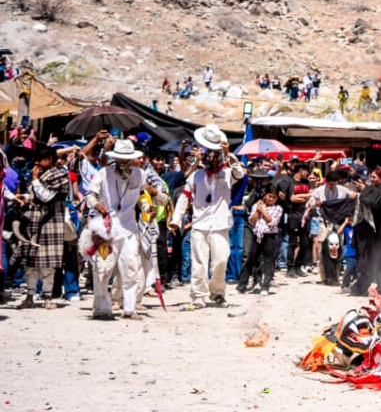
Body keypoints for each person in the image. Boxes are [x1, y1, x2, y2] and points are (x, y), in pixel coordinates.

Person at [169, 125, 245, 309]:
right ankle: (198, 295)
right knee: (199, 261)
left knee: (220, 260)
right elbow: (184, 198)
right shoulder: (195, 176)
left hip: (220, 223)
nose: (212, 158)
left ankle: (217, 292)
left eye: (215, 154)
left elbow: (240, 174)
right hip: (200, 224)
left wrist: (229, 156)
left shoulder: (227, 174)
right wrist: (176, 219)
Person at [83, 140, 159, 319]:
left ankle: (129, 309)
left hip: (129, 228)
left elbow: (142, 195)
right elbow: (90, 195)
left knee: (131, 267)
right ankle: (102, 309)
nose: (124, 162)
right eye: (120, 159)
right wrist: (96, 204)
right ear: (115, 158)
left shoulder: (140, 175)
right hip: (106, 228)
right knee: (103, 268)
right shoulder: (103, 173)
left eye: (127, 159)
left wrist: (148, 208)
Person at [12, 148, 71, 309]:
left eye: (41, 160)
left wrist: (35, 180)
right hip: (33, 223)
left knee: (47, 264)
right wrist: (22, 198)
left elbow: (47, 197)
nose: (37, 163)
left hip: (50, 223)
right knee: (30, 263)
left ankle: (47, 297)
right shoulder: (40, 175)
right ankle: (29, 297)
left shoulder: (60, 176)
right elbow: (35, 196)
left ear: (50, 160)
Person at [351, 168, 381, 296]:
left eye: (374, 177)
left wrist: (365, 190)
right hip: (379, 227)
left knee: (379, 259)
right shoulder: (379, 188)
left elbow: (374, 203)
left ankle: (375, 289)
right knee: (376, 258)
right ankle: (372, 288)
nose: (372, 179)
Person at [245, 189, 282, 295]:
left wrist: (262, 211)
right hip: (257, 235)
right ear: (265, 196)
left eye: (274, 197)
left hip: (270, 236)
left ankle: (266, 285)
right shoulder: (256, 206)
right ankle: (256, 281)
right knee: (254, 259)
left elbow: (272, 222)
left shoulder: (277, 208)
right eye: (269, 196)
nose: (271, 199)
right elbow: (252, 221)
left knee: (268, 261)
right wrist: (258, 210)